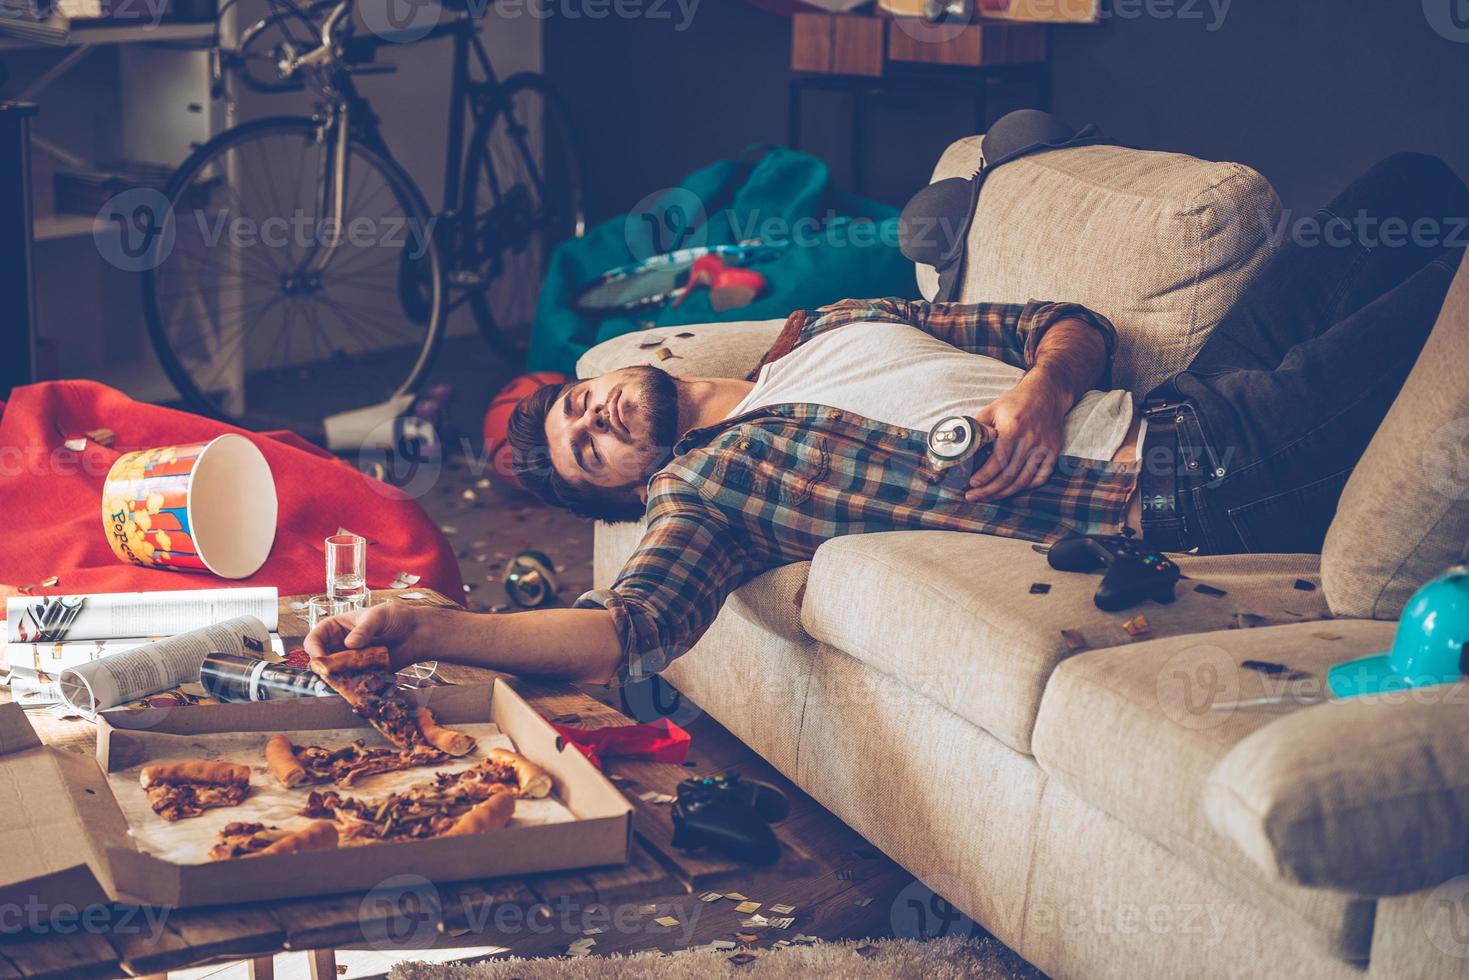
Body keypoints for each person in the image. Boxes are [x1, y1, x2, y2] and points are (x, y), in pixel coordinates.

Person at [306, 153, 1468, 687]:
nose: (598, 415)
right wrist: (426, 629)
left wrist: (1040, 387)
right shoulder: (708, 491)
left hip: (1170, 402)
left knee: (1404, 192)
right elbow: (618, 631)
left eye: (578, 404)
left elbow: (1060, 321)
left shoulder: (818, 329)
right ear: (620, 489)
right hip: (1187, 482)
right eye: (589, 450)